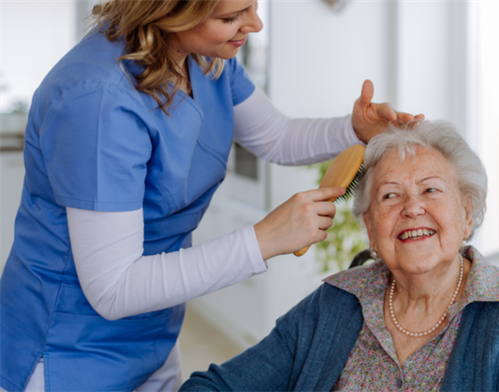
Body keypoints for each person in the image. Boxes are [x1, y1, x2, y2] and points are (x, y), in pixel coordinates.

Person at [0, 1, 423, 391]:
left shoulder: (201, 57)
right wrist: (263, 240)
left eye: (253, 6)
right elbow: (113, 288)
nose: (254, 25)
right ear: (171, 11)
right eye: (231, 17)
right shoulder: (98, 100)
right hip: (67, 351)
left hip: (152, 333)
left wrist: (353, 131)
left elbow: (277, 136)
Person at [179, 121, 499, 392]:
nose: (412, 208)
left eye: (431, 190)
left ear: (467, 214)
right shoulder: (334, 302)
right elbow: (213, 387)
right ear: (370, 228)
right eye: (390, 195)